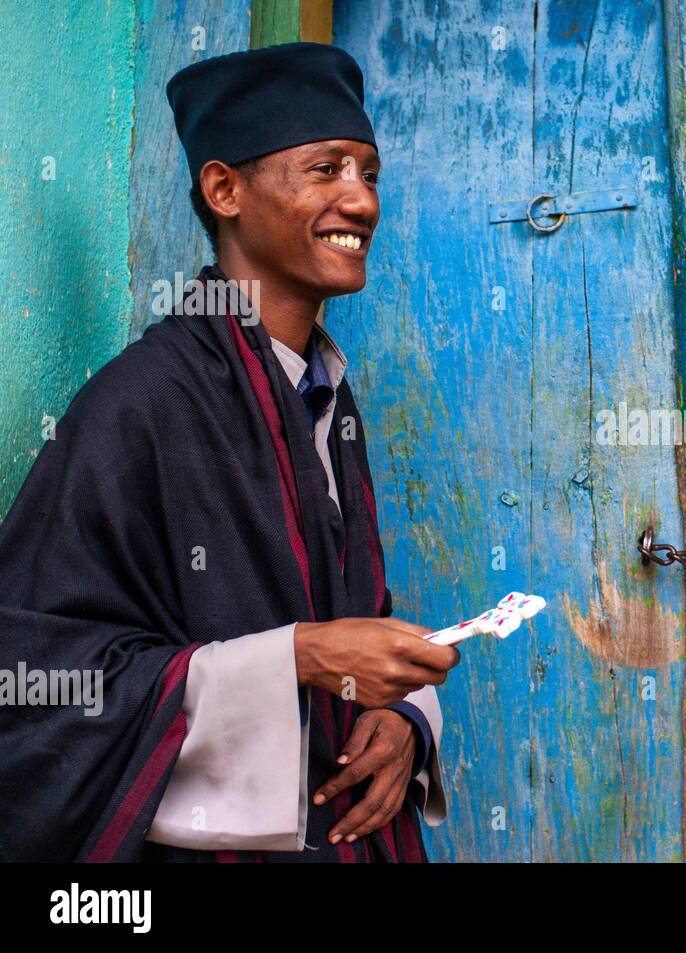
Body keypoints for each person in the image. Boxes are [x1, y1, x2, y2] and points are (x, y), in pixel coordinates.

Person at [0, 42, 459, 862]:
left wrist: (403, 720)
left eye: (369, 172)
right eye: (326, 169)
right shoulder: (137, 407)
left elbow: (359, 617)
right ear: (225, 189)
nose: (361, 201)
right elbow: (32, 682)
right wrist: (300, 657)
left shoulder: (322, 391)